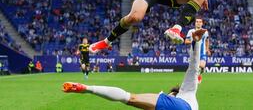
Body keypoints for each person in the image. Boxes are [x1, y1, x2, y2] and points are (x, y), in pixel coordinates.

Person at [63, 29, 207, 110]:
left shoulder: (186, 92)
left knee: (129, 97)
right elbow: (194, 68)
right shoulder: (189, 95)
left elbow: (193, 67)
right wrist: (197, 42)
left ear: (173, 94)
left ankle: (87, 88)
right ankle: (87, 87)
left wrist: (198, 41)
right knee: (129, 98)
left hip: (182, 107)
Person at [185, 17, 210, 83]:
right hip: (194, 53)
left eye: (200, 22)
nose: (198, 23)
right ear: (195, 23)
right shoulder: (191, 31)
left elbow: (207, 40)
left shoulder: (205, 31)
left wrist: (207, 49)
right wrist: (193, 41)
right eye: (197, 22)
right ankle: (196, 77)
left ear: (202, 23)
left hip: (202, 52)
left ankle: (198, 75)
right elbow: (186, 41)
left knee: (202, 65)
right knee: (194, 68)